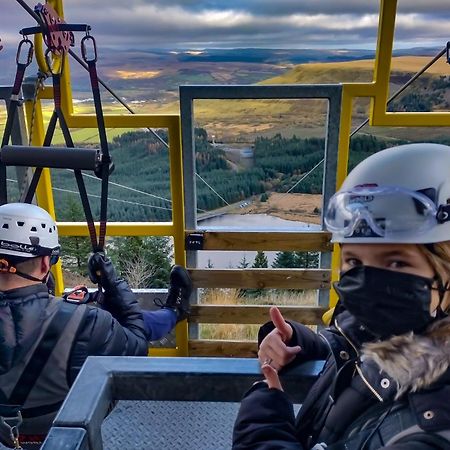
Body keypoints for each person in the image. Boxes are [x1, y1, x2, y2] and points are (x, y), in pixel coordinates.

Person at [233, 142, 450, 450]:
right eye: (354, 262)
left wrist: (262, 424)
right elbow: (359, 344)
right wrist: (304, 342)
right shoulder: (400, 328)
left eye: (396, 262)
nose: (368, 281)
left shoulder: (430, 432)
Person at [0, 202, 192, 449]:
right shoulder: (87, 321)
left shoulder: (84, 320)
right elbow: (136, 346)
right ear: (46, 264)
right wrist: (113, 284)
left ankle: (173, 312)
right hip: (65, 431)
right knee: (115, 326)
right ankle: (174, 312)